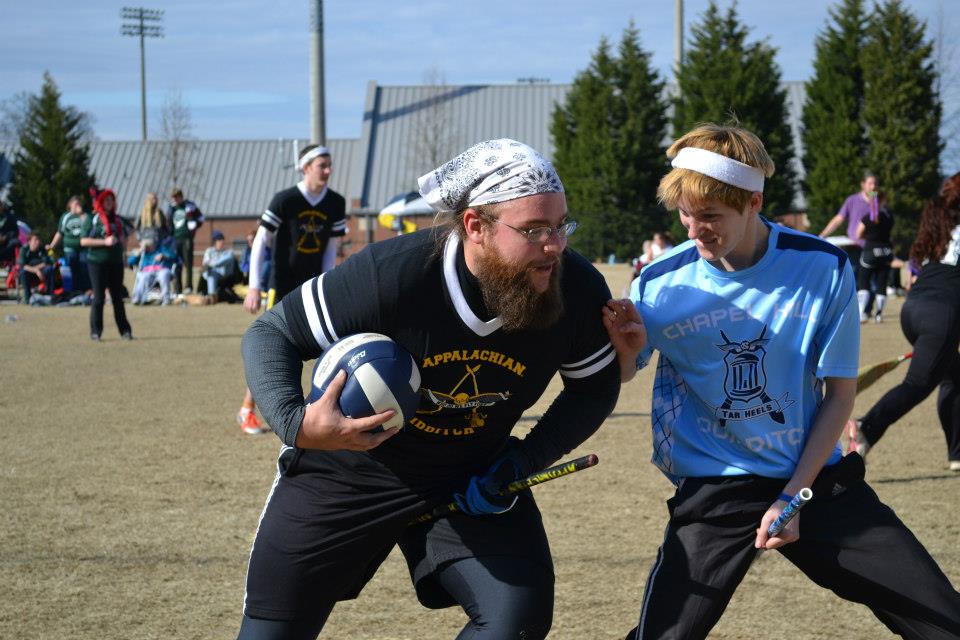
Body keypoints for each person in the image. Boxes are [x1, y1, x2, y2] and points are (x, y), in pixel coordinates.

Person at [236, 138, 619, 639]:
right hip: (351, 469)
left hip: (473, 475)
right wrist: (296, 423)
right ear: (475, 226)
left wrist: (523, 461)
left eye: (560, 224)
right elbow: (271, 333)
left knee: (516, 621)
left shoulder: (576, 285)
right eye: (533, 230)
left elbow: (594, 389)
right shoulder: (392, 275)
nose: (555, 245)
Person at [603, 123, 960, 640]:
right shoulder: (660, 283)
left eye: (709, 216)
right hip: (716, 489)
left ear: (753, 201)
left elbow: (839, 396)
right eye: (684, 214)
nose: (693, 230)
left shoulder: (823, 267)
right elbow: (619, 376)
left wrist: (793, 497)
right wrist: (628, 353)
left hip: (815, 480)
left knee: (943, 619)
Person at [847, 173, 960, 473]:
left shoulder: (942, 228)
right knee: (917, 384)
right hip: (942, 315)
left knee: (954, 377)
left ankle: (956, 454)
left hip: (913, 311)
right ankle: (866, 428)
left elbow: (914, 267)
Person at [236, 144, 345, 435]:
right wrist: (254, 286)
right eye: (322, 164)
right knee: (274, 349)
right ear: (305, 167)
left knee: (329, 345)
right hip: (281, 284)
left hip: (313, 286)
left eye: (329, 164)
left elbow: (331, 247)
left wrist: (327, 282)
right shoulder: (285, 200)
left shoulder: (335, 203)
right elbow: (260, 241)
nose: (328, 170)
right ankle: (247, 409)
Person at [81, 187, 132, 342]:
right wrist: (104, 241)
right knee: (99, 298)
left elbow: (126, 237)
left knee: (117, 297)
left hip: (115, 263)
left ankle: (125, 331)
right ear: (101, 202)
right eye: (106, 200)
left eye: (111, 200)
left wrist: (123, 242)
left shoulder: (118, 220)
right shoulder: (92, 218)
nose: (109, 203)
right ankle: (96, 332)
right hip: (97, 262)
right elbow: (84, 241)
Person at [854, 190, 894, 323]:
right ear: (883, 201)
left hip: (870, 252)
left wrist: (869, 237)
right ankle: (878, 315)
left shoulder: (867, 218)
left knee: (864, 283)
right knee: (881, 284)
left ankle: (861, 314)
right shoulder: (889, 217)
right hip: (886, 253)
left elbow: (858, 234)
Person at [47, 195, 91, 294]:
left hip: (83, 248)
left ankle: (86, 290)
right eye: (75, 203)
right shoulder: (66, 216)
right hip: (70, 249)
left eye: (79, 204)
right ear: (70, 205)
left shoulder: (85, 216)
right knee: (73, 270)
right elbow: (60, 232)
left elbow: (88, 228)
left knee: (84, 269)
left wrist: (81, 213)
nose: (77, 205)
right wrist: (52, 245)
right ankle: (75, 291)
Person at [168, 187, 203, 295]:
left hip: (186, 238)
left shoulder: (190, 206)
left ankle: (188, 287)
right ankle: (178, 288)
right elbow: (168, 222)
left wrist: (193, 226)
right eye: (173, 198)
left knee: (188, 264)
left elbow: (201, 218)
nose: (175, 200)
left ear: (180, 196)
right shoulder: (172, 208)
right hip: (175, 239)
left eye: (176, 197)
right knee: (176, 263)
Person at [130, 236, 174, 305]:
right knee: (144, 277)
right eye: (147, 246)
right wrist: (138, 253)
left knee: (164, 275)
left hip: (162, 270)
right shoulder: (142, 252)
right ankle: (137, 299)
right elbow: (130, 262)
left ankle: (166, 299)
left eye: (150, 246)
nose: (149, 248)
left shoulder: (161, 249)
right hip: (147, 271)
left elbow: (174, 257)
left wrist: (164, 256)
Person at [200, 230, 237, 303]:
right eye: (219, 240)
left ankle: (212, 296)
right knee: (211, 275)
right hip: (212, 274)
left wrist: (213, 264)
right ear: (214, 241)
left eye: (222, 239)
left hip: (225, 275)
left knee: (228, 258)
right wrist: (211, 264)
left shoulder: (228, 252)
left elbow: (226, 260)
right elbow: (206, 262)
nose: (221, 241)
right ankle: (212, 297)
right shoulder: (209, 251)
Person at [18, 232, 55, 303]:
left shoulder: (42, 249)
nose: (37, 242)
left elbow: (46, 262)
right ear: (29, 241)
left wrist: (50, 250)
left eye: (38, 240)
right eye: (35, 240)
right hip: (30, 274)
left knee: (50, 269)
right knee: (23, 272)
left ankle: (49, 296)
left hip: (42, 274)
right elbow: (23, 266)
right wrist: (36, 270)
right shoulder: (24, 249)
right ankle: (27, 298)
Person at [0, 200, 19, 264]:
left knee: (16, 242)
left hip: (6, 241)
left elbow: (15, 231)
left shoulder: (10, 217)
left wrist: (5, 237)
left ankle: (14, 264)